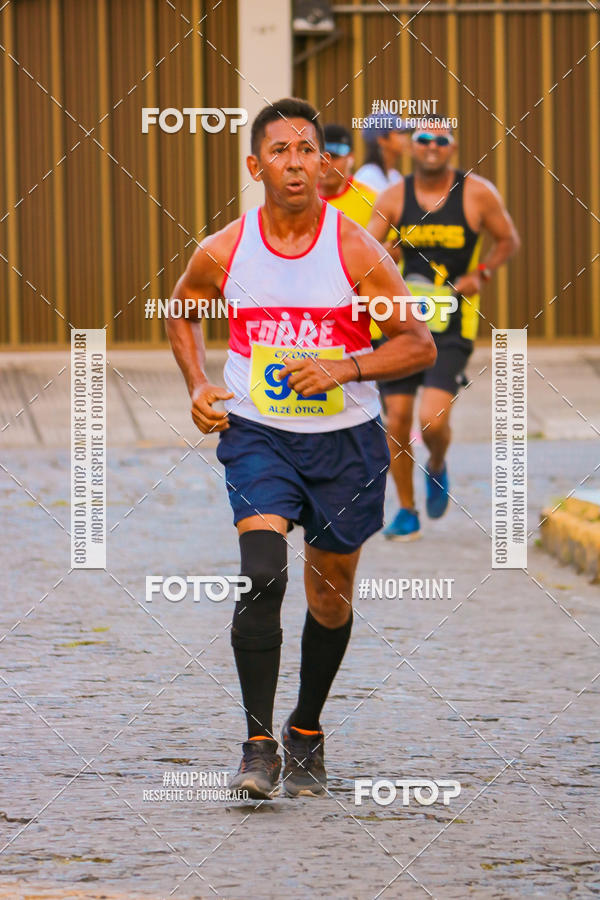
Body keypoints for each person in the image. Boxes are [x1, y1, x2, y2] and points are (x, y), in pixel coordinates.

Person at [166, 97, 436, 799]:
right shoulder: (225, 248)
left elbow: (416, 343)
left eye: (307, 149)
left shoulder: (356, 250)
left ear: (325, 164)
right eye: (280, 151)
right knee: (261, 572)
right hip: (258, 433)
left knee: (329, 594)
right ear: (257, 166)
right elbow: (182, 307)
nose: (296, 161)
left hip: (345, 441)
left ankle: (306, 728)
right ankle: (257, 745)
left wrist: (342, 367)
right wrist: (198, 383)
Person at [368, 122, 520, 540]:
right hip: (400, 324)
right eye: (423, 140)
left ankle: (436, 464)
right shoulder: (395, 196)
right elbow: (364, 250)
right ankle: (406, 510)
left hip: (452, 325)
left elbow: (508, 240)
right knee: (396, 420)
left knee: (431, 422)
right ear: (412, 147)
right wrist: (386, 251)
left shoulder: (477, 193)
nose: (432, 146)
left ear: (453, 146)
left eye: (441, 140)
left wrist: (482, 274)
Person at [318, 123, 377, 227]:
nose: (327, 164)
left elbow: (388, 243)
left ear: (351, 158)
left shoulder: (371, 201)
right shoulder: (298, 197)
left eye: (334, 157)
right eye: (321, 157)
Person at [354, 114, 410, 194]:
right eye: (399, 133)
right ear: (382, 140)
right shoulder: (367, 177)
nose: (405, 138)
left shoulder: (394, 175)